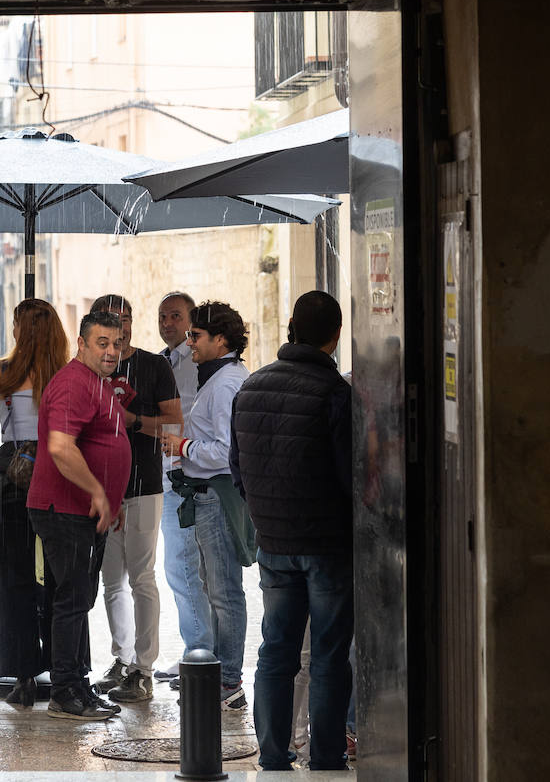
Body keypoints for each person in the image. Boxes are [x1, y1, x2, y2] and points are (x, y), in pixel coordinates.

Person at [230, 290, 353, 770]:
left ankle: (273, 754)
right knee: (327, 655)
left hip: (274, 544)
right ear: (335, 336)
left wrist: (265, 513)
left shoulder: (252, 387)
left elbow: (237, 468)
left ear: (291, 328)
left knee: (276, 651)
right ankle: (326, 756)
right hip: (326, 546)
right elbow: (348, 474)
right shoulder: (335, 393)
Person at [26, 310, 132, 721]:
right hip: (65, 508)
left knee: (77, 597)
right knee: (72, 599)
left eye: (116, 343)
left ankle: (74, 682)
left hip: (83, 510)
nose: (110, 351)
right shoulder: (73, 382)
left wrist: (111, 500)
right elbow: (60, 447)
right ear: (82, 344)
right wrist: (98, 494)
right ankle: (65, 690)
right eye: (101, 343)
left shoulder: (97, 382)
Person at [160, 301, 256, 711]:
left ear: (221, 340)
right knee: (213, 589)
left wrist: (183, 446)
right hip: (203, 497)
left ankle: (229, 681)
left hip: (216, 497)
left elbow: (226, 450)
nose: (189, 342)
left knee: (224, 592)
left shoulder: (228, 382)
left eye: (195, 335)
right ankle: (218, 674)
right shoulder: (218, 377)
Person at [88, 295, 180, 704]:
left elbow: (175, 423)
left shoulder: (153, 366)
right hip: (101, 488)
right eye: (110, 321)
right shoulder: (91, 367)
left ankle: (144, 669)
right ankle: (121, 660)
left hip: (143, 485)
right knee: (112, 582)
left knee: (142, 577)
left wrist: (133, 422)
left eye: (125, 320)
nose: (119, 329)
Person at [0, 298, 70, 707]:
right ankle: (67, 670)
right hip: (58, 474)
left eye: (17, 323)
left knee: (15, 577)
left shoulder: (1, 372)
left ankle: (23, 676)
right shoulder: (69, 376)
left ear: (22, 329)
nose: (14, 330)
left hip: (12, 473)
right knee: (61, 576)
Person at [154, 291, 213, 684]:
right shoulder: (162, 361)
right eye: (162, 316)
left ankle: (200, 654)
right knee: (182, 567)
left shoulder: (195, 365)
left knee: (184, 568)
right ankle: (198, 649)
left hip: (186, 475)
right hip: (168, 472)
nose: (167, 322)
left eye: (175, 316)